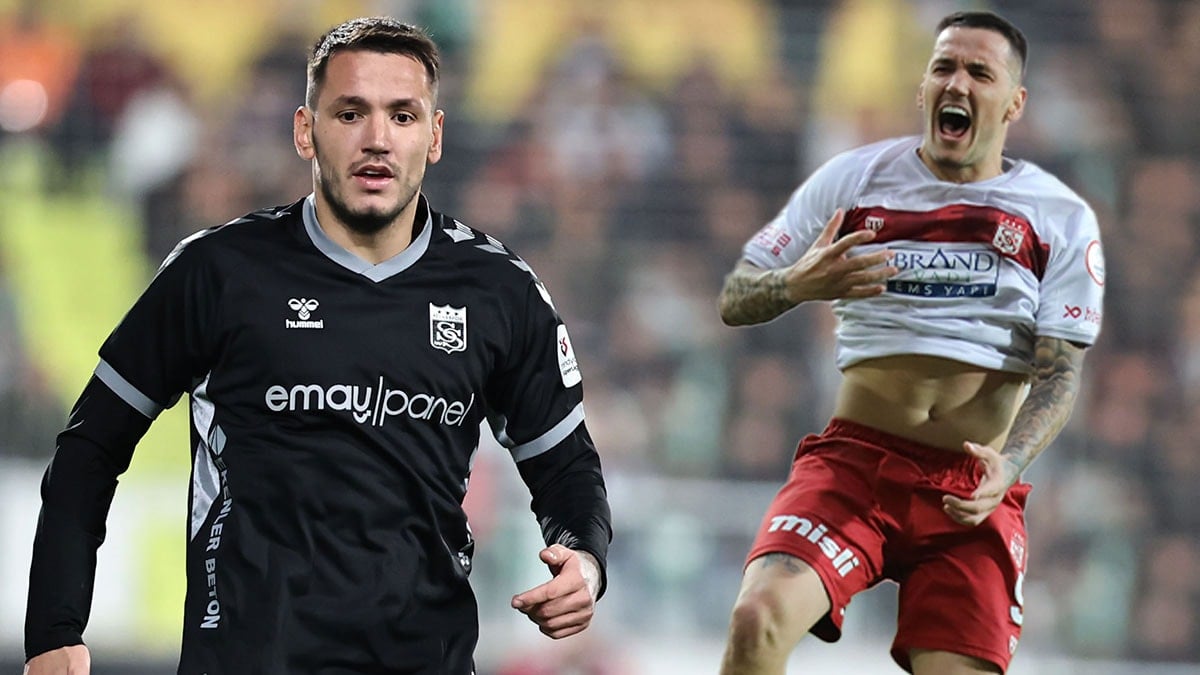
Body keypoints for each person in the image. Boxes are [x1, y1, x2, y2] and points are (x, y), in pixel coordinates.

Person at [24, 17, 612, 675]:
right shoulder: (218, 273)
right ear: (306, 130)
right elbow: (89, 449)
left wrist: (585, 562)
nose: (377, 138)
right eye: (350, 113)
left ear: (435, 136)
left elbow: (566, 467)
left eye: (403, 115)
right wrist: (53, 630)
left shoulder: (499, 291)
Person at [716, 11, 1103, 675]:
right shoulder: (852, 179)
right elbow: (735, 297)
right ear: (923, 88)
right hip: (854, 466)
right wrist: (797, 283)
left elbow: (1060, 375)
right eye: (943, 67)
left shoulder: (1059, 216)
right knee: (757, 619)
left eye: (979, 72)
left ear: (1014, 103)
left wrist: (1009, 465)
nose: (957, 83)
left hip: (970, 489)